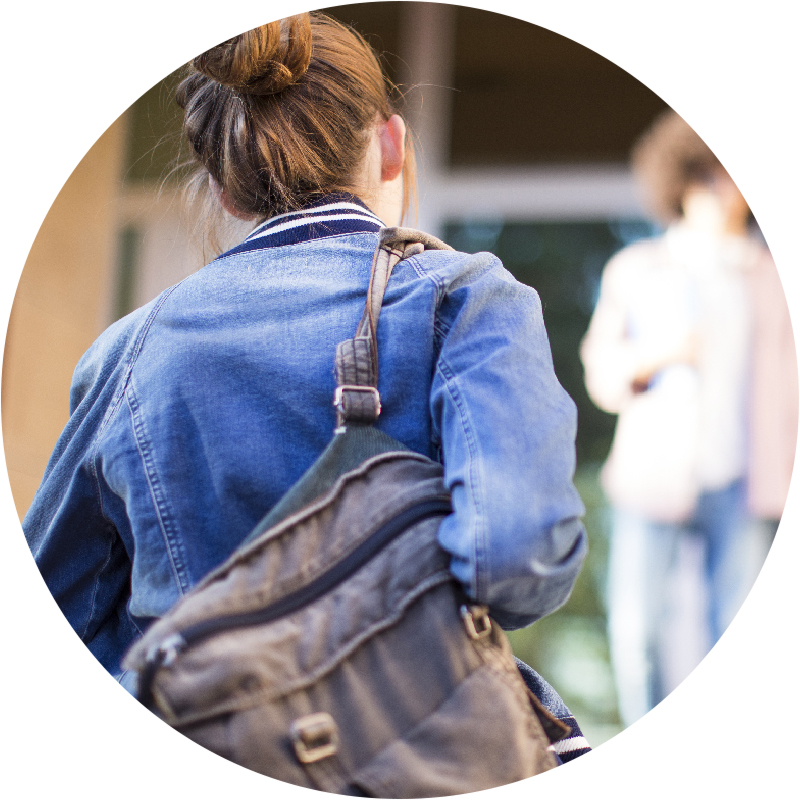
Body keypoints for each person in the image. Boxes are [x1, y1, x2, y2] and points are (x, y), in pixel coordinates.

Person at [23, 12, 588, 756]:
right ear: (392, 145)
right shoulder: (465, 298)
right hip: (418, 751)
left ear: (225, 190)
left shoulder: (127, 352)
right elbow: (517, 560)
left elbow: (55, 611)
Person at [581, 110, 796, 727]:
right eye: (707, 177)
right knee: (636, 633)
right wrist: (660, 355)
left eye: (732, 178)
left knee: (735, 639)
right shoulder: (637, 269)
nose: (721, 192)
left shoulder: (773, 276)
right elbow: (602, 373)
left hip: (746, 481)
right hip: (654, 479)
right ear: (680, 183)